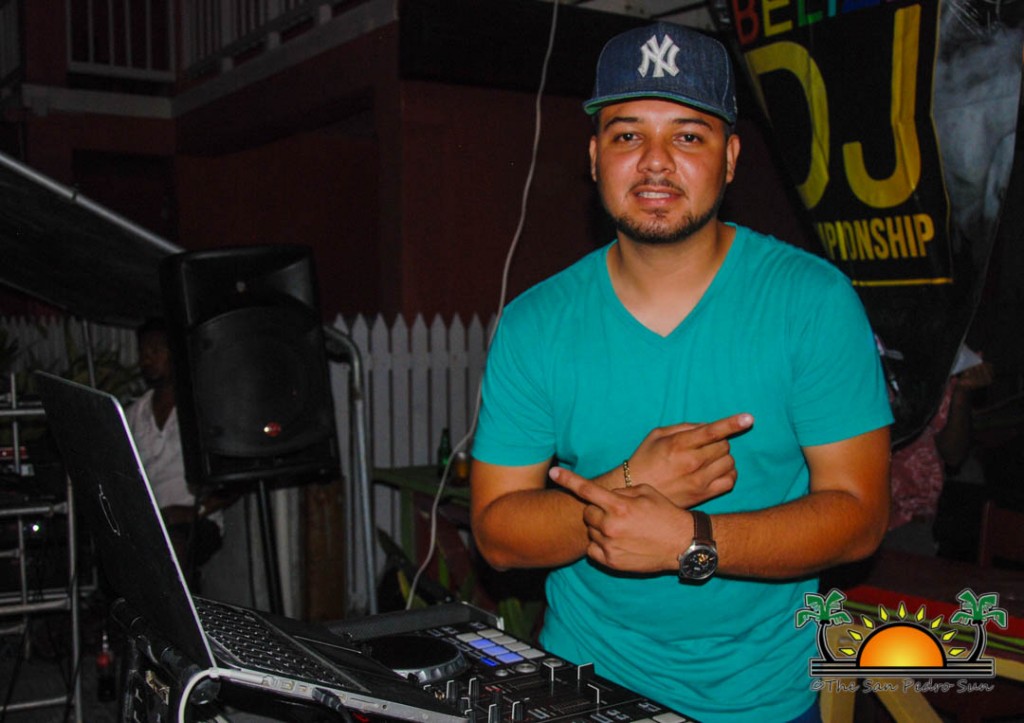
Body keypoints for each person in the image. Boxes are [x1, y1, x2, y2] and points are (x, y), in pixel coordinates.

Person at [469, 22, 893, 723]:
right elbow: (496, 533)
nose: (655, 161)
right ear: (595, 157)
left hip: (764, 702)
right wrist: (633, 482)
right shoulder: (535, 324)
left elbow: (859, 517)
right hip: (584, 688)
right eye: (627, 135)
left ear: (730, 158)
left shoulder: (813, 303)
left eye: (688, 135)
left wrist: (691, 541)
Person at [125, 318, 225, 587]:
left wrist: (196, 509)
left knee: (172, 547)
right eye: (143, 352)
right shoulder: (133, 415)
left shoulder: (203, 410)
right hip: (148, 522)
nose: (147, 359)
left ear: (177, 353)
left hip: (196, 521)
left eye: (155, 350)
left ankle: (181, 609)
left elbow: (238, 477)